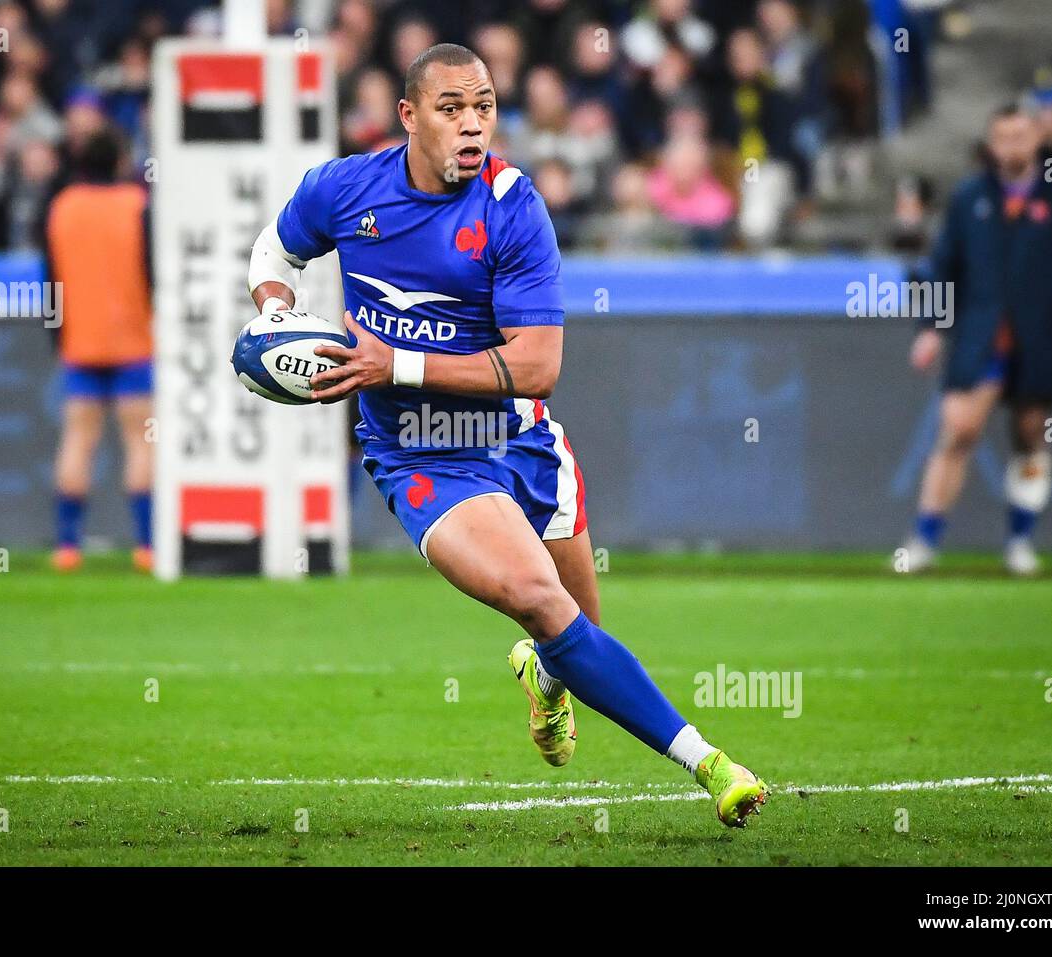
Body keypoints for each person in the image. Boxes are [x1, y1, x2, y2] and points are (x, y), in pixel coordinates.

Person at [246, 43, 769, 828]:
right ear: (409, 115)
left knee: (575, 635)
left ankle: (545, 675)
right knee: (537, 597)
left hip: (523, 444)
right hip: (421, 455)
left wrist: (396, 363)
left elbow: (536, 367)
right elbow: (275, 247)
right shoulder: (345, 187)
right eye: (452, 108)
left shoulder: (511, 205)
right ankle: (712, 764)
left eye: (484, 106)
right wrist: (275, 308)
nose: (472, 125)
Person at [901, 103, 1052, 575]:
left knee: (1032, 435)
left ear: (1037, 140)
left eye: (1020, 135)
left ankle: (1019, 539)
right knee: (958, 429)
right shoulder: (970, 197)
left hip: (1041, 333)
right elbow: (942, 266)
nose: (1012, 145)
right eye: (1003, 137)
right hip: (982, 334)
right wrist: (931, 328)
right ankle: (925, 537)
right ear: (991, 144)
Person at [43, 129, 154, 572]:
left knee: (77, 441)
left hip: (80, 344)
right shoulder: (138, 206)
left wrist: (58, 337)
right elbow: (153, 273)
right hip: (133, 342)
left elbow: (48, 278)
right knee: (141, 441)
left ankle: (67, 546)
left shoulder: (61, 208)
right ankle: (147, 546)